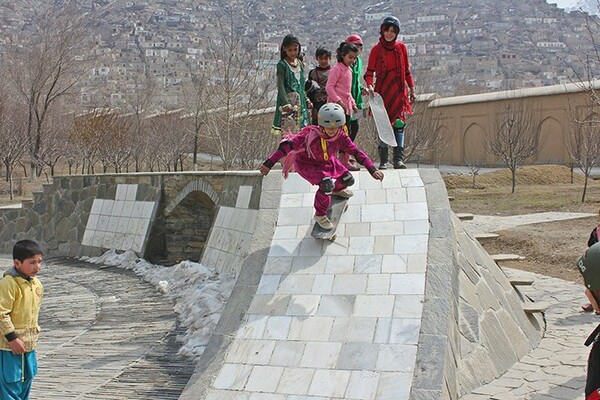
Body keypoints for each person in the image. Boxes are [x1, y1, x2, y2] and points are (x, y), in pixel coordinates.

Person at [259, 103, 384, 229]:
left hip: (326, 162)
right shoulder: (309, 135)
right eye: (328, 127)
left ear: (340, 126)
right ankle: (320, 214)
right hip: (307, 164)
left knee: (348, 179)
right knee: (326, 185)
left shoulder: (341, 137)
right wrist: (269, 163)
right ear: (321, 125)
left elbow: (357, 153)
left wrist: (372, 169)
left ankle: (337, 190)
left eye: (334, 128)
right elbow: (286, 147)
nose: (331, 131)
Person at [364, 15, 416, 170]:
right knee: (384, 125)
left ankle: (398, 160)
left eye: (393, 31)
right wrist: (370, 85)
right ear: (382, 30)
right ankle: (384, 161)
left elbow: (406, 71)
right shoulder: (376, 50)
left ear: (397, 33)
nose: (389, 33)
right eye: (387, 30)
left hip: (399, 93)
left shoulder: (401, 48)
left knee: (399, 124)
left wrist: (412, 89)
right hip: (382, 93)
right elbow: (369, 72)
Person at [0, 240, 44, 399]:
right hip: (9, 346)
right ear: (17, 263)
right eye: (32, 262)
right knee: (10, 384)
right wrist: (12, 338)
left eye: (39, 261)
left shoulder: (37, 284)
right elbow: (1, 313)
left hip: (28, 345)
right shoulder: (8, 283)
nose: (37, 266)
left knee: (27, 379)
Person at [326, 42, 360, 171]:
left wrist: (353, 104)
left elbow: (347, 91)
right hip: (336, 109)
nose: (352, 60)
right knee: (336, 135)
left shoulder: (349, 70)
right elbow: (329, 87)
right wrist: (338, 100)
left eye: (354, 58)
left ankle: (344, 160)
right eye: (350, 57)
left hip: (346, 108)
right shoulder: (336, 69)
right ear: (343, 55)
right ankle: (334, 161)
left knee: (349, 133)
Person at [271, 34, 312, 137]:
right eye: (290, 50)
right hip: (289, 104)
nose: (293, 53)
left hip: (301, 103)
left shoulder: (299, 63)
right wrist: (285, 103)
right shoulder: (282, 65)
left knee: (303, 134)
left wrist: (306, 99)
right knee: (289, 136)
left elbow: (301, 86)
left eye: (295, 49)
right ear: (284, 49)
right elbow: (280, 86)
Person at [345, 34, 366, 170]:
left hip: (356, 100)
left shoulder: (358, 62)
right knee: (346, 129)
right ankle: (345, 156)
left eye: (359, 47)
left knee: (355, 127)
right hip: (345, 100)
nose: (357, 49)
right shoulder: (345, 62)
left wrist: (362, 89)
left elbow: (356, 81)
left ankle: (347, 153)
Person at [305, 47, 332, 126]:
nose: (323, 61)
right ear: (317, 59)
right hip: (316, 105)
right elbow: (309, 91)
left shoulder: (334, 72)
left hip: (330, 104)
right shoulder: (312, 73)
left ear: (330, 58)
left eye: (326, 58)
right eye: (321, 58)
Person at [583, 211, 600, 312]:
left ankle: (595, 303)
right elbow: (590, 244)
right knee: (592, 287)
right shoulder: (596, 231)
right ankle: (594, 303)